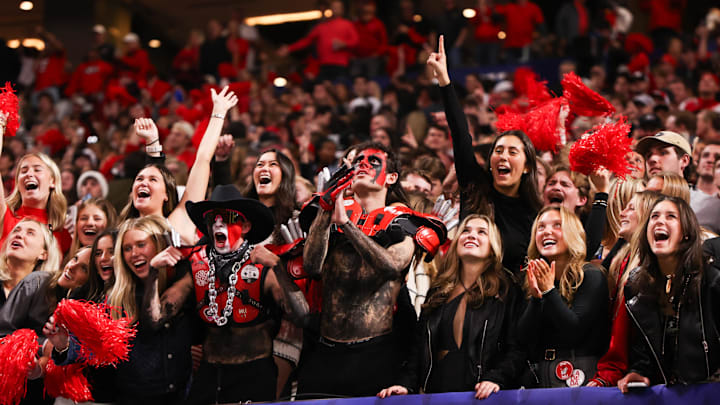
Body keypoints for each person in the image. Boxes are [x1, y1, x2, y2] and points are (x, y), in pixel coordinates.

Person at [299, 141, 446, 397]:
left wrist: (348, 226)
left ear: (391, 177)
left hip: (375, 355)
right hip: (323, 353)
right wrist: (326, 208)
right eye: (358, 162)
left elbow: (391, 267)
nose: (363, 165)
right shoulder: (328, 218)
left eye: (373, 162)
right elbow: (311, 266)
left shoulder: (403, 223)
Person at [184, 185, 309, 403]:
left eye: (228, 217)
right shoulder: (197, 265)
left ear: (246, 226)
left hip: (253, 375)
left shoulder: (264, 265)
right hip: (209, 374)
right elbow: (156, 317)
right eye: (212, 218)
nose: (218, 223)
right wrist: (153, 274)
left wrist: (279, 268)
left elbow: (302, 316)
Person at [377, 214, 524, 399]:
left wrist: (496, 379)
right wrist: (405, 384)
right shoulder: (438, 291)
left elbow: (517, 348)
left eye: (481, 232)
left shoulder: (506, 290)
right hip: (437, 396)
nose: (471, 235)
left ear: (493, 246)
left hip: (485, 398)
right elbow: (417, 350)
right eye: (465, 231)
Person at [428, 35, 541, 273]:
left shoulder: (535, 214)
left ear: (528, 166)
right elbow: (461, 136)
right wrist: (445, 81)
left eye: (512, 152)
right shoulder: (474, 187)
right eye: (498, 150)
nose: (503, 156)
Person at [618, 196, 720, 391]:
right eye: (654, 216)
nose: (659, 221)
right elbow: (645, 356)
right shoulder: (637, 287)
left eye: (671, 216)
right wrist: (639, 373)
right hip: (671, 397)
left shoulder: (711, 279)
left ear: (687, 234)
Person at [119, 86, 238, 245]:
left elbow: (202, 159)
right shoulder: (121, 232)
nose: (143, 182)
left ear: (166, 195)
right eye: (139, 178)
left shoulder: (179, 223)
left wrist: (218, 113)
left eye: (152, 180)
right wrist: (152, 140)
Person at [106, 216, 195, 404]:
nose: (134, 254)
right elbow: (152, 321)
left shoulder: (182, 281)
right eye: (127, 249)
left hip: (181, 396)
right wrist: (153, 271)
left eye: (141, 245)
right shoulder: (118, 296)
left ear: (159, 245)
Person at [518, 206, 609, 387]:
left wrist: (549, 292)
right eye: (541, 227)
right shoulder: (532, 280)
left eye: (557, 225)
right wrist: (536, 300)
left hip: (581, 373)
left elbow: (573, 331)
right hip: (541, 373)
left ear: (572, 233)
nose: (547, 232)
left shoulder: (590, 275)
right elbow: (523, 340)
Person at [587, 190, 660, 387]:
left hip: (642, 378)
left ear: (646, 216)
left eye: (631, 208)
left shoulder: (648, 268)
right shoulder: (622, 261)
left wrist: (609, 374)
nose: (621, 213)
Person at [0, 147, 71, 253]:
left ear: (53, 181)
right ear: (17, 184)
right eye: (23, 171)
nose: (29, 174)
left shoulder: (61, 232)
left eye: (37, 170)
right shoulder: (4, 215)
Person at [277, 0, 359, 81]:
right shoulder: (321, 27)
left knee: (340, 86)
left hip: (341, 64)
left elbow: (355, 41)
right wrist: (289, 48)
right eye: (334, 7)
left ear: (342, 9)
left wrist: (344, 44)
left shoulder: (347, 24)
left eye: (338, 7)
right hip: (324, 64)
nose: (335, 9)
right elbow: (307, 40)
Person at [0, 219, 61, 305]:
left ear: (43, 254)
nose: (18, 235)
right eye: (16, 231)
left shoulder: (45, 299)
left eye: (30, 233)